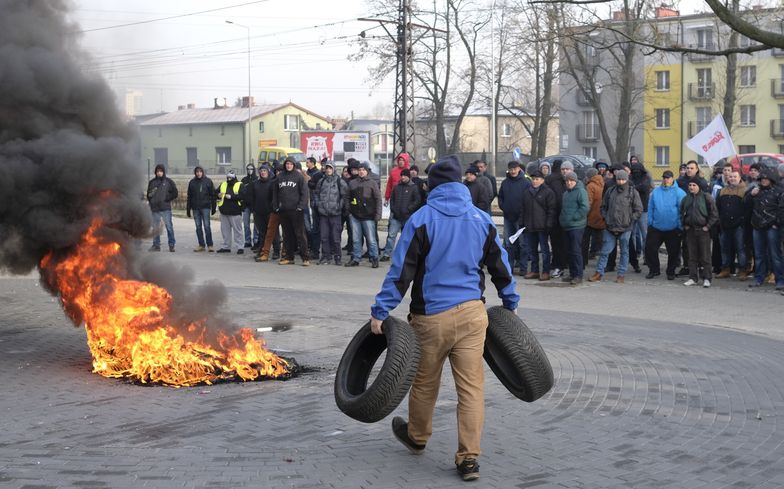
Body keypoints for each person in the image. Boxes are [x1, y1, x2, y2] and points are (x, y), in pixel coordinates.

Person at [369, 154, 519, 482]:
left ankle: (418, 437)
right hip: (472, 315)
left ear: (433, 186)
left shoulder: (421, 219)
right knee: (471, 389)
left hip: (431, 318)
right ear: (461, 184)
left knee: (425, 382)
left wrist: (381, 311)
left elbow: (400, 274)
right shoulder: (481, 219)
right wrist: (510, 302)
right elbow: (501, 266)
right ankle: (469, 459)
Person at [588, 170, 642, 283]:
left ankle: (621, 274)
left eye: (623, 179)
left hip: (625, 228)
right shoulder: (610, 191)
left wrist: (630, 219)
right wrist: (605, 217)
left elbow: (638, 209)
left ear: (627, 180)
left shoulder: (633, 192)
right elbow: (603, 206)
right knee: (604, 251)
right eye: (618, 179)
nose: (620, 181)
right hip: (610, 227)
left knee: (624, 251)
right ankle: (599, 272)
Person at [745, 170, 784, 289]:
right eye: (762, 179)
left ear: (771, 180)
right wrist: (751, 195)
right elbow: (745, 204)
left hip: (773, 227)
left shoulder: (779, 192)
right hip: (757, 227)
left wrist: (776, 223)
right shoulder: (756, 190)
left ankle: (780, 280)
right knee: (759, 254)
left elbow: (781, 209)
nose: (763, 181)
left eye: (766, 179)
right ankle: (759, 278)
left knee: (775, 254)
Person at [645, 170, 686, 280]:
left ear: (672, 178)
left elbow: (682, 211)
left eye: (668, 177)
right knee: (650, 249)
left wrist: (679, 226)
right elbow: (650, 207)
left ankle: (670, 271)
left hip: (673, 228)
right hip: (656, 227)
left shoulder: (680, 192)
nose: (666, 179)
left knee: (673, 252)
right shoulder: (656, 192)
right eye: (664, 177)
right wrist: (650, 223)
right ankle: (654, 270)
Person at [681, 181, 719, 287]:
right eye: (690, 185)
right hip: (690, 231)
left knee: (705, 256)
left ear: (699, 186)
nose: (691, 187)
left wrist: (708, 226)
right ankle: (693, 278)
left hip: (703, 231)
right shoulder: (686, 199)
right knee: (692, 256)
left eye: (694, 185)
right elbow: (681, 212)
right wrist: (684, 224)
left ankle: (707, 278)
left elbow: (714, 214)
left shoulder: (706, 197)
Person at [274, 158, 310, 266]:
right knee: (287, 235)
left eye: (290, 164)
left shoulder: (299, 176)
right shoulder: (280, 177)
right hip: (283, 210)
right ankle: (289, 257)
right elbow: (275, 193)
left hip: (296, 211)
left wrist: (300, 207)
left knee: (300, 235)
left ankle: (305, 258)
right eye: (287, 164)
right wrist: (276, 206)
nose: (288, 166)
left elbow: (304, 193)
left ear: (293, 165)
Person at [346, 162, 382, 268]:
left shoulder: (372, 183)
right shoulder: (352, 183)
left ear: (367, 171)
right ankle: (356, 258)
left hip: (369, 215)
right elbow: (347, 197)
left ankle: (374, 258)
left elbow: (378, 199)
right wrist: (348, 210)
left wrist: (378, 214)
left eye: (363, 170)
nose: (361, 172)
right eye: (360, 170)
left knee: (371, 239)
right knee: (356, 239)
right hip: (355, 215)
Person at [522, 170, 557, 281]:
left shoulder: (548, 192)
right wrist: (522, 223)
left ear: (542, 180)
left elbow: (552, 210)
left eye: (537, 179)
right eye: (533, 179)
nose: (535, 181)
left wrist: (549, 224)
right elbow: (523, 209)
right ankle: (535, 271)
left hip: (542, 226)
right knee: (532, 251)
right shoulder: (527, 192)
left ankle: (546, 271)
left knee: (545, 251)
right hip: (529, 226)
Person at [498, 160, 530, 276]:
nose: (513, 171)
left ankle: (523, 268)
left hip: (521, 218)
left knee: (523, 244)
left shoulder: (526, 182)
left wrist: (523, 213)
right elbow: (500, 197)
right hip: (508, 217)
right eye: (511, 169)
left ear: (519, 169)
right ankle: (509, 267)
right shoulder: (505, 183)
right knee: (508, 244)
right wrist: (504, 207)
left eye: (515, 169)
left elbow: (528, 200)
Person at [381, 169, 421, 262]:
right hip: (396, 217)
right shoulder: (397, 187)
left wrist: (408, 209)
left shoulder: (414, 187)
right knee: (391, 236)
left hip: (407, 216)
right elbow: (392, 200)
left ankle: (405, 254)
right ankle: (387, 254)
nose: (402, 177)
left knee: (406, 237)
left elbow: (417, 201)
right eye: (401, 175)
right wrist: (394, 210)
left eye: (404, 176)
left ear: (408, 177)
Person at [716, 169, 748, 280]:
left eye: (735, 176)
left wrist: (742, 221)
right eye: (730, 177)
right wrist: (720, 221)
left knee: (740, 249)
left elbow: (747, 209)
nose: (732, 178)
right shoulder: (722, 191)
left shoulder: (745, 191)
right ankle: (725, 269)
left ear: (739, 178)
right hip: (725, 225)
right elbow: (718, 207)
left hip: (739, 225)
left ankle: (743, 270)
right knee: (725, 249)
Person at [314, 161, 348, 265]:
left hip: (335, 214)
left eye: (330, 168)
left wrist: (339, 206)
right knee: (324, 236)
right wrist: (318, 204)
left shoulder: (339, 181)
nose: (328, 170)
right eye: (327, 168)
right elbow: (316, 194)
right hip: (323, 214)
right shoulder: (321, 181)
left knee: (335, 237)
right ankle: (325, 256)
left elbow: (344, 196)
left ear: (334, 169)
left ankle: (337, 257)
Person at [559, 171, 589, 285]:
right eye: (567, 181)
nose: (569, 182)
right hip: (566, 226)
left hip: (577, 226)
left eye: (571, 180)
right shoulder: (566, 193)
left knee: (576, 251)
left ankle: (578, 275)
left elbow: (585, 207)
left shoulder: (581, 191)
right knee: (569, 251)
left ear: (575, 181)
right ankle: (572, 273)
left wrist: (575, 217)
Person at [246, 165, 278, 262]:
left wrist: (273, 208)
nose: (263, 172)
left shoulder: (272, 183)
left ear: (268, 172)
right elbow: (250, 197)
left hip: (270, 212)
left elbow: (274, 198)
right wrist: (253, 209)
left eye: (264, 170)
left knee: (274, 233)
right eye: (261, 171)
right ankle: (262, 251)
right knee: (262, 233)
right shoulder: (255, 184)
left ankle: (276, 251)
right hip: (258, 212)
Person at [146, 164, 178, 252]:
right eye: (157, 171)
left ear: (163, 172)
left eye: (161, 171)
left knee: (169, 227)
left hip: (165, 208)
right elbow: (148, 195)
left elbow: (175, 193)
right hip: (155, 209)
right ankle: (156, 245)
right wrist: (151, 202)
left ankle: (171, 245)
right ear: (155, 172)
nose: (159, 173)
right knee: (156, 228)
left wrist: (167, 199)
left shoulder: (169, 182)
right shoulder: (152, 182)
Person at [545, 159, 569, 278]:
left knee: (555, 243)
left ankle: (555, 264)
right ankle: (561, 265)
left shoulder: (548, 180)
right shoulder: (564, 181)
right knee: (562, 243)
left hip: (552, 215)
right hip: (562, 216)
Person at [185, 166, 216, 252]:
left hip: (205, 207)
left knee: (207, 226)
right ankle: (201, 245)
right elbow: (189, 196)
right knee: (198, 227)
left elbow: (213, 195)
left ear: (203, 172)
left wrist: (213, 207)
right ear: (195, 173)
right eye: (197, 172)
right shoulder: (192, 182)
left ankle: (210, 245)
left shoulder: (208, 181)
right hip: (195, 208)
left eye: (200, 172)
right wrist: (188, 209)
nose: (199, 173)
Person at [216, 170, 244, 254]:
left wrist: (231, 197)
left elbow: (242, 196)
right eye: (228, 177)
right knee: (225, 231)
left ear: (234, 177)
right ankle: (226, 247)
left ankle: (240, 247)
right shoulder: (223, 184)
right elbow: (215, 192)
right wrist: (218, 195)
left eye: (231, 177)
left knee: (237, 231)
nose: (229, 179)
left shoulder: (239, 184)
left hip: (235, 211)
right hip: (224, 211)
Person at [630, 161, 652, 261]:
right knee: (631, 234)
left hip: (643, 209)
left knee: (645, 234)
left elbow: (645, 187)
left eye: (638, 171)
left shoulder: (646, 178)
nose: (636, 172)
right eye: (634, 171)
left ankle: (646, 256)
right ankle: (633, 256)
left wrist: (634, 187)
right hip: (631, 209)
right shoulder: (631, 178)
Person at [582, 168, 605, 266]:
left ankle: (583, 261)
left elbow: (588, 203)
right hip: (601, 217)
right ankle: (601, 263)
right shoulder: (603, 183)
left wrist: (584, 215)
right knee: (601, 241)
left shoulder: (590, 186)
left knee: (585, 241)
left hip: (591, 217)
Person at [305, 157, 324, 259]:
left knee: (316, 228)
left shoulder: (317, 174)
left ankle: (318, 250)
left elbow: (315, 187)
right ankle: (313, 249)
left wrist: (308, 181)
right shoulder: (307, 172)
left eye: (308, 162)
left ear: (312, 163)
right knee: (313, 227)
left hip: (316, 203)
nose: (306, 164)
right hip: (309, 202)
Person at [241, 163, 259, 249]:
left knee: (256, 225)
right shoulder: (244, 180)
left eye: (251, 169)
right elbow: (241, 191)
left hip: (255, 205)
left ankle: (256, 240)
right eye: (248, 169)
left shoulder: (257, 179)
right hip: (246, 205)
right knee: (246, 224)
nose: (249, 170)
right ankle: (247, 241)